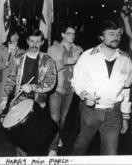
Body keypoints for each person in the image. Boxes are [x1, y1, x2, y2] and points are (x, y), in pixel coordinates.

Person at [71, 19, 132, 155]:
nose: (116, 37)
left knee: (111, 154)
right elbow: (76, 81)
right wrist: (84, 94)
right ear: (101, 37)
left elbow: (127, 90)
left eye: (118, 34)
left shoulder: (126, 60)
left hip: (114, 114)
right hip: (90, 112)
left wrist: (126, 117)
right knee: (80, 146)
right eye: (111, 34)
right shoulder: (87, 56)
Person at [0, 29, 57, 156]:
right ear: (27, 41)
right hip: (20, 101)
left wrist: (32, 87)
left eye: (37, 41)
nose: (34, 44)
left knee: (37, 137)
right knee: (20, 137)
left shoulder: (48, 61)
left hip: (38, 103)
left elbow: (51, 83)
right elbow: (11, 79)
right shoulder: (18, 59)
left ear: (42, 42)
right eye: (31, 41)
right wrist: (5, 98)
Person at [47, 25, 83, 156]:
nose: (72, 36)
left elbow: (82, 69)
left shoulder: (79, 49)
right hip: (56, 88)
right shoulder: (53, 49)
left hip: (70, 89)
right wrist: (65, 62)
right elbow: (49, 69)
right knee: (54, 118)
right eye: (69, 33)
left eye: (73, 34)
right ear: (62, 35)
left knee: (63, 118)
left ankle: (57, 135)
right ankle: (53, 148)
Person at [0, 29, 24, 112]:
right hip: (3, 78)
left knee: (13, 103)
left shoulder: (22, 50)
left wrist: (14, 59)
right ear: (9, 35)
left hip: (15, 79)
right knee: (1, 103)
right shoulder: (1, 48)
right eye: (13, 34)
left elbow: (21, 66)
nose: (15, 37)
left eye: (17, 35)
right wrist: (3, 64)